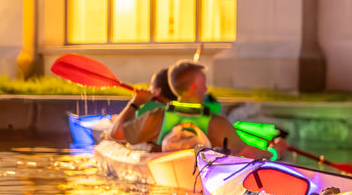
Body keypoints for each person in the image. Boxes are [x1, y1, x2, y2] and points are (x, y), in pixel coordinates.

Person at [110, 60, 283, 160]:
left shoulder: (156, 118)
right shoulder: (216, 123)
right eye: (204, 83)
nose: (206, 89)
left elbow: (116, 134)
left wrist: (135, 103)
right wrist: (275, 152)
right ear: (195, 86)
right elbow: (247, 153)